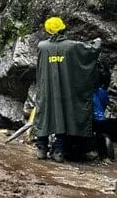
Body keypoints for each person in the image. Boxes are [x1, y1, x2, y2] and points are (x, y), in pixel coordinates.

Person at [33, 17, 101, 162]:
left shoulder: (42, 46)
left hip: (46, 90)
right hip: (65, 91)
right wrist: (98, 41)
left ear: (48, 30)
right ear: (63, 28)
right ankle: (58, 151)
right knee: (63, 116)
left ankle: (41, 149)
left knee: (44, 116)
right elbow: (92, 50)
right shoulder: (71, 46)